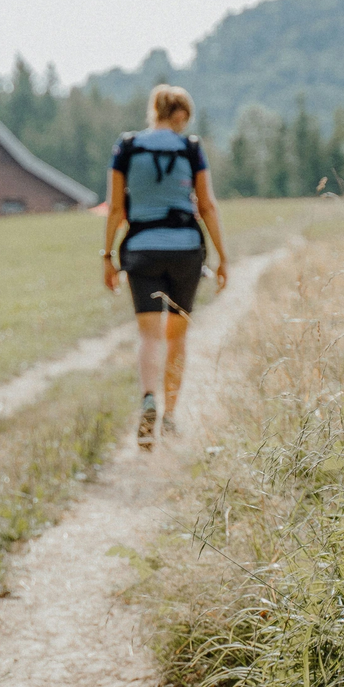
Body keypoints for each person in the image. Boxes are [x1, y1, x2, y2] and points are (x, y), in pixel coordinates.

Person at [102, 84, 227, 449]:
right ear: (183, 115)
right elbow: (207, 207)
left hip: (141, 250)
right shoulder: (190, 149)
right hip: (186, 251)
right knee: (176, 336)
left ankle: (148, 399)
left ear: (153, 110)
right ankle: (170, 417)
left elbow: (114, 209)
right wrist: (223, 258)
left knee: (149, 335)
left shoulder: (126, 147)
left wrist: (107, 257)